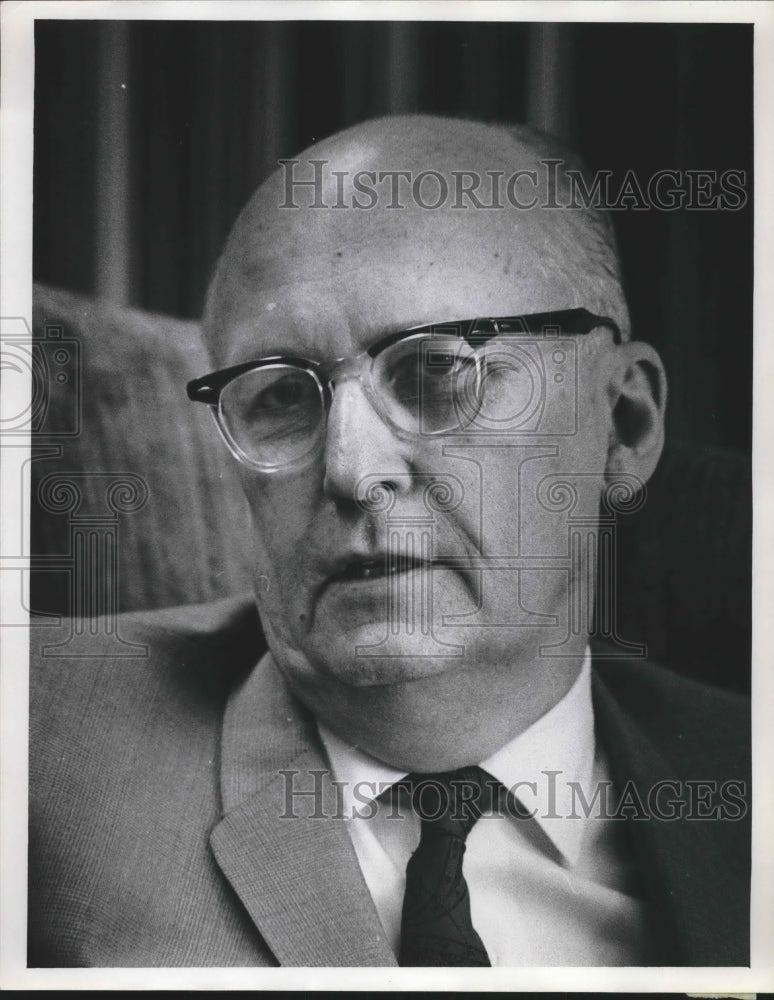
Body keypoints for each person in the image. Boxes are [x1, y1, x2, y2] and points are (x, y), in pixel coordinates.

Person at [28, 115, 750, 968]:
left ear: (624, 423)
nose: (351, 469)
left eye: (438, 371)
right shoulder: (37, 732)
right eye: (280, 399)